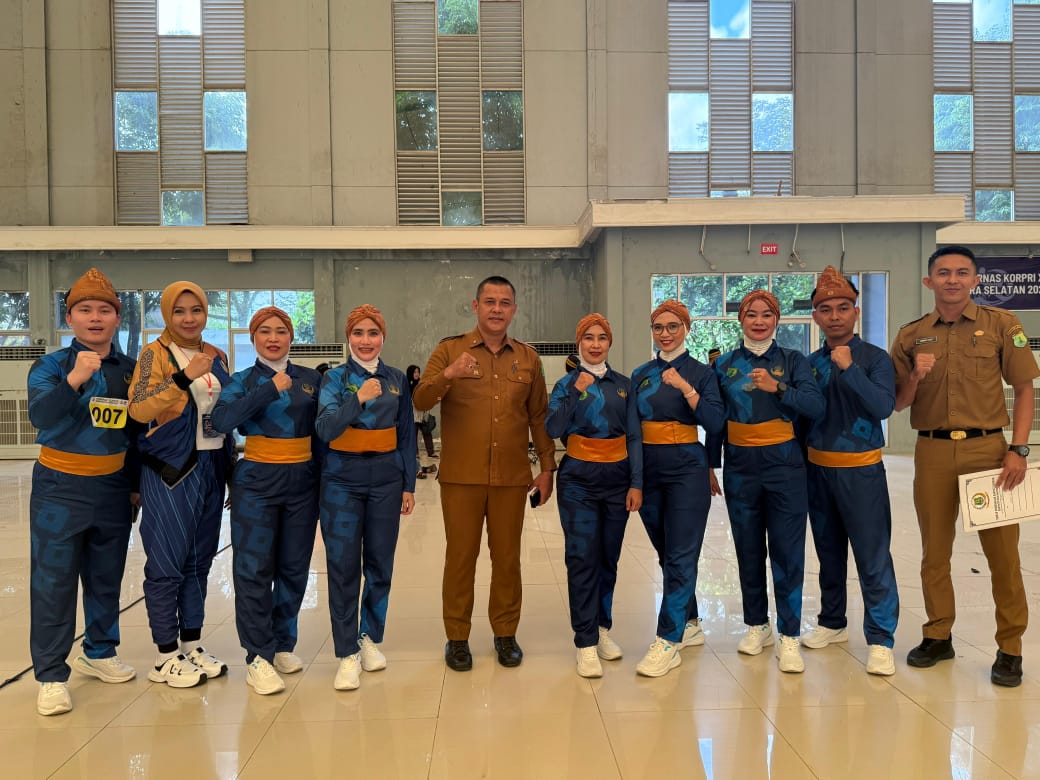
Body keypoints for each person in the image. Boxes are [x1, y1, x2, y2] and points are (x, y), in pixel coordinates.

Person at [891, 245, 1038, 687]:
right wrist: (915, 375)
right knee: (934, 552)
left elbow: (1024, 388)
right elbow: (898, 402)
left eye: (961, 272)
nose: (951, 280)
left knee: (1003, 556)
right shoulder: (911, 335)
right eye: (943, 273)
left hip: (989, 451)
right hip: (932, 451)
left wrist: (1019, 449)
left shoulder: (1001, 325)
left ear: (975, 280)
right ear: (928, 281)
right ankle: (938, 635)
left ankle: (1010, 647)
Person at [413, 275, 556, 672]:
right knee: (461, 559)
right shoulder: (449, 350)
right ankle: (457, 637)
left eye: (504, 302)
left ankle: (505, 634)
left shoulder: (528, 358)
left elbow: (538, 416)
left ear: (514, 309)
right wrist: (449, 375)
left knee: (508, 559)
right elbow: (420, 400)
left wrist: (547, 467)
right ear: (475, 306)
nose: (497, 309)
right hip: (462, 477)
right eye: (489, 301)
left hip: (511, 477)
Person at [27, 268, 140, 716]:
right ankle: (51, 675)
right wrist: (73, 379)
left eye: (104, 310)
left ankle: (99, 651)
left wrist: (134, 486)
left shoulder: (129, 370)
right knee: (53, 583)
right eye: (85, 310)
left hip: (112, 487)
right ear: (69, 318)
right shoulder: (51, 366)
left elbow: (135, 434)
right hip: (60, 488)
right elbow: (41, 416)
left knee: (106, 576)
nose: (95, 318)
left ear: (117, 318)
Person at [707, 290, 825, 674]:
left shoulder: (793, 361)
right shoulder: (724, 365)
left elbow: (815, 406)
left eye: (767, 315)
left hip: (785, 466)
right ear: (740, 319)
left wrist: (780, 388)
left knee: (788, 552)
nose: (759, 321)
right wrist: (710, 464)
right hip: (741, 467)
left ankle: (789, 633)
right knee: (748, 548)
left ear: (777, 320)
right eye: (751, 314)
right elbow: (716, 420)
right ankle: (757, 624)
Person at [211, 306, 323, 695]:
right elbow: (221, 422)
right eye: (265, 331)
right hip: (257, 480)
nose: (273, 338)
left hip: (303, 481)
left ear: (291, 337)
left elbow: (322, 432)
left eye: (281, 331)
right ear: (253, 337)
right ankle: (258, 655)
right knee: (253, 569)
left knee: (294, 567)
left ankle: (282, 643)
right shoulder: (242, 381)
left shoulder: (311, 380)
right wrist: (268, 389)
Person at [129, 281, 235, 688]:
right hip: (170, 469)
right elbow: (139, 409)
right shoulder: (153, 354)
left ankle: (191, 644)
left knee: (199, 561)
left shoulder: (217, 355)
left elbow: (226, 411)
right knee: (167, 563)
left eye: (196, 310)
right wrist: (182, 377)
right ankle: (164, 654)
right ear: (167, 314)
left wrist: (231, 468)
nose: (189, 318)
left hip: (211, 465)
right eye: (179, 311)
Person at [800, 267, 899, 676]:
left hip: (861, 473)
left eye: (843, 308)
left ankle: (881, 638)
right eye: (826, 310)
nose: (835, 316)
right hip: (818, 472)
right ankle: (832, 621)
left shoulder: (874, 359)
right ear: (816, 317)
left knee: (872, 556)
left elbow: (883, 407)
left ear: (856, 312)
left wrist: (849, 369)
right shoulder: (808, 364)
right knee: (828, 553)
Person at [315, 304, 416, 691]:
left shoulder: (396, 379)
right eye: (358, 333)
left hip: (386, 480)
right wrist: (357, 398)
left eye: (373, 333)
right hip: (342, 479)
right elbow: (326, 429)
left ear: (383, 338)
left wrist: (408, 484)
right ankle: (346, 652)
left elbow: (406, 433)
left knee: (379, 562)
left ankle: (368, 636)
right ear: (348, 338)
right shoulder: (335, 378)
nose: (366, 340)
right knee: (343, 566)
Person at [629, 300, 726, 677]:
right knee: (667, 552)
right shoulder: (641, 374)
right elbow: (632, 431)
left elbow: (715, 422)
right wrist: (635, 480)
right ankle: (690, 621)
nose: (665, 333)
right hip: (650, 469)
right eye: (658, 327)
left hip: (688, 469)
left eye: (673, 326)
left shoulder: (701, 373)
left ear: (686, 328)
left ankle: (667, 640)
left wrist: (686, 388)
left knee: (682, 554)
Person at [545, 314, 643, 678]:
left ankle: (601, 629)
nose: (596, 344)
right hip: (578, 482)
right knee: (582, 558)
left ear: (609, 343)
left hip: (617, 480)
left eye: (602, 337)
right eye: (589, 337)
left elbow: (634, 436)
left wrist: (636, 483)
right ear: (579, 343)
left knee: (608, 558)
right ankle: (584, 642)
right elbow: (553, 428)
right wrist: (576, 389)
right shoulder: (565, 384)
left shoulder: (624, 385)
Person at [407, 364, 438, 479]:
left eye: (418, 372)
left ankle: (431, 452)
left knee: (427, 432)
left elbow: (426, 395)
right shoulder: (407, 384)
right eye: (414, 372)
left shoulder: (421, 384)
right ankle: (415, 453)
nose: (416, 374)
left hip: (422, 412)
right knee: (413, 433)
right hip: (412, 413)